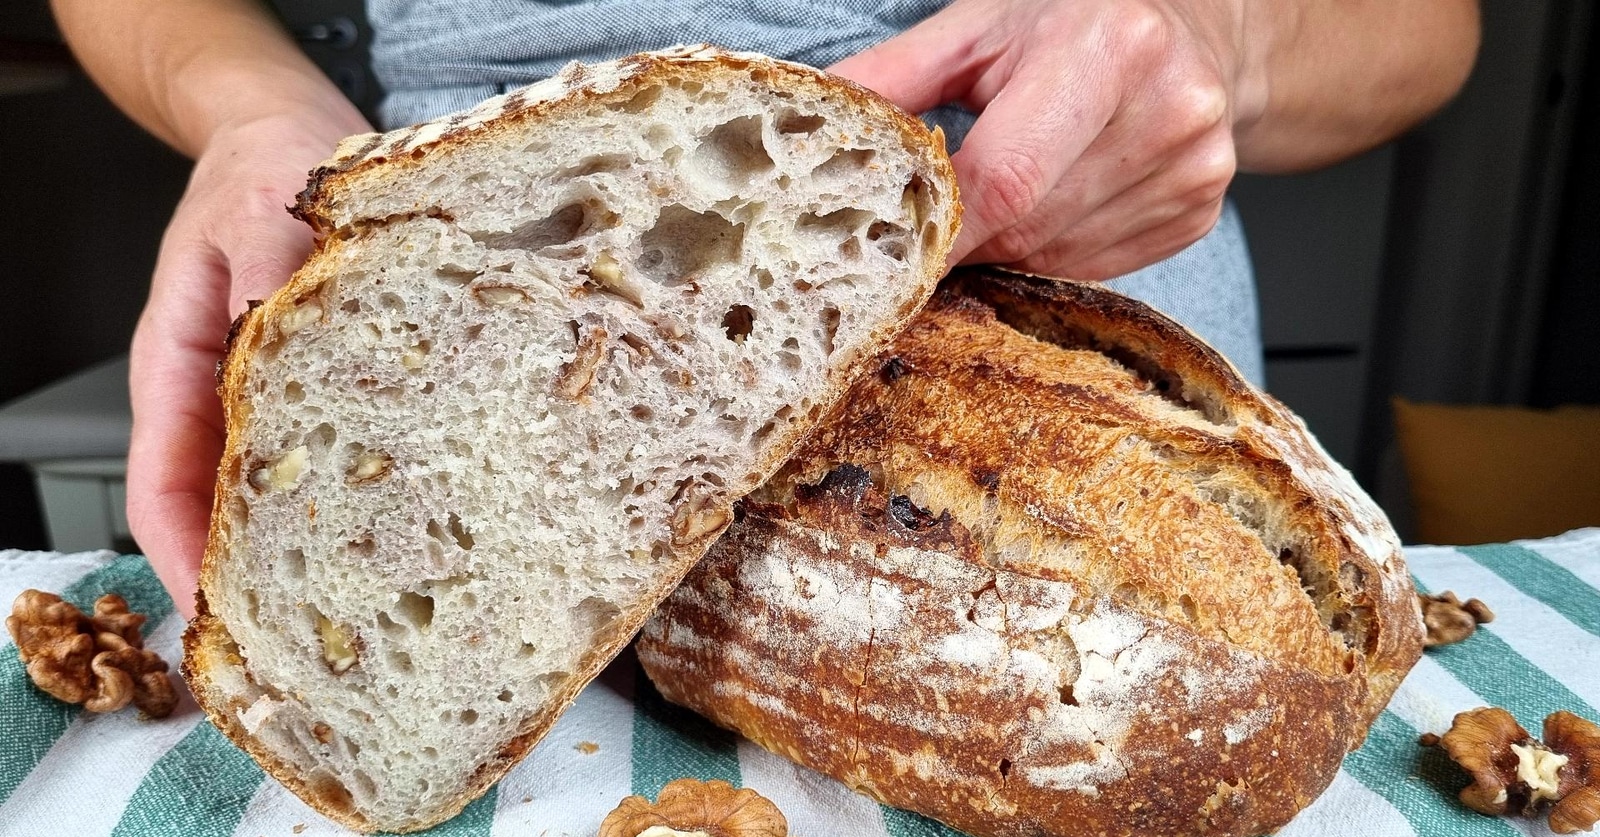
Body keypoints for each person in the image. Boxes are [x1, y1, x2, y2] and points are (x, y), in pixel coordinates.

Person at [51, 0, 1480, 614]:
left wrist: (1215, 37)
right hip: (473, 366)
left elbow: (1423, 31)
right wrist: (251, 107)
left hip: (1068, 398)